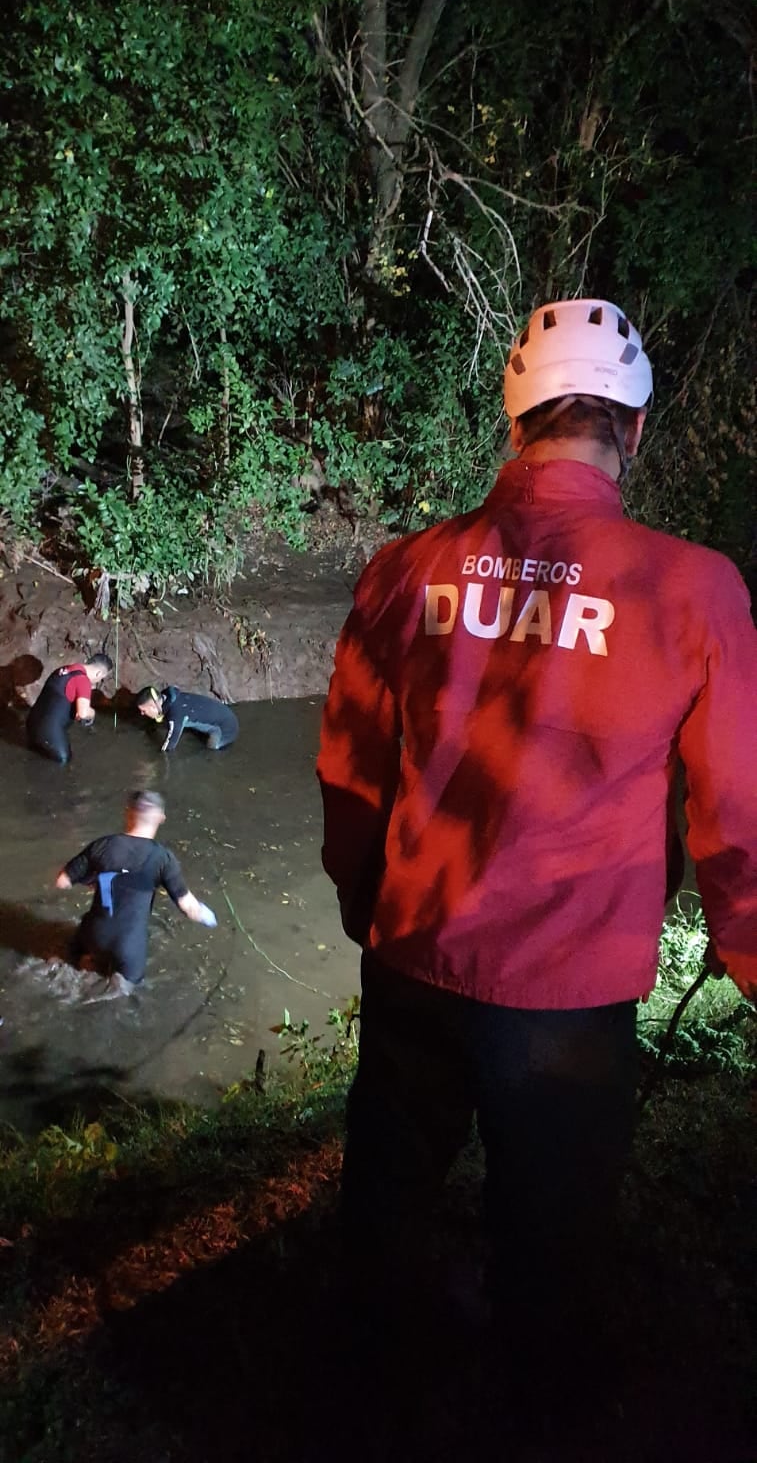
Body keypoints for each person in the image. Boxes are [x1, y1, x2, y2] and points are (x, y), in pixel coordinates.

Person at [316, 298, 757, 1398]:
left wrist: (361, 897)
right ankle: (531, 1400)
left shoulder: (404, 567)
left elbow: (352, 767)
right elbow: (736, 816)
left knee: (385, 1203)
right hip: (569, 996)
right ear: (635, 431)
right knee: (551, 1243)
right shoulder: (693, 589)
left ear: (510, 426)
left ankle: (361, 1390)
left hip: (412, 952)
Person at [56, 789, 217, 984]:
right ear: (160, 818)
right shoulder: (163, 859)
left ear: (128, 813)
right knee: (123, 991)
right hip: (128, 947)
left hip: (93, 934)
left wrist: (92, 880)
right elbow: (189, 908)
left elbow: (62, 881)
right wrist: (208, 918)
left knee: (75, 955)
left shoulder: (103, 845)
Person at [26, 653, 113, 764]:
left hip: (32, 725)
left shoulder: (63, 670)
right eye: (101, 678)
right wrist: (92, 713)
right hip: (50, 733)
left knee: (34, 757)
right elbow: (83, 714)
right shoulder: (83, 681)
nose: (99, 681)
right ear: (99, 673)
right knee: (63, 762)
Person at [135, 684, 239, 752]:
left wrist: (157, 760)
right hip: (224, 714)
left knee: (210, 750)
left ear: (153, 706)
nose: (142, 714)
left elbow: (169, 747)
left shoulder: (176, 714)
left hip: (226, 729)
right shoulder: (169, 697)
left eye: (144, 711)